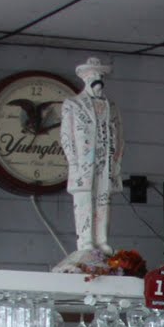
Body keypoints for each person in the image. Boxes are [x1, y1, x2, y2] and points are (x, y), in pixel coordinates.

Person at [54, 56, 125, 272]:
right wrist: (74, 162)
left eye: (100, 76)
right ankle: (85, 241)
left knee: (103, 200)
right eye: (94, 76)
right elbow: (66, 136)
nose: (98, 81)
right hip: (84, 162)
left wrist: (116, 160)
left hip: (105, 161)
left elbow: (119, 134)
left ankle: (101, 239)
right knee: (85, 201)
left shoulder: (110, 106)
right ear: (85, 79)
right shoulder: (73, 104)